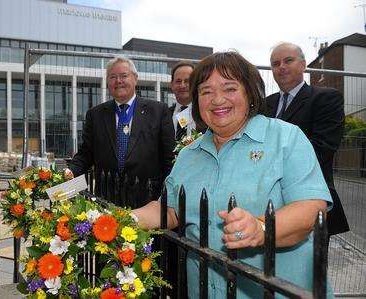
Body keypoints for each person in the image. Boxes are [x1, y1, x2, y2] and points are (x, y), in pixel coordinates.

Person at [132, 51, 334, 298]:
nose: (217, 100)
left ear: (250, 93)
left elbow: (312, 208)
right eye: (206, 91)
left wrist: (260, 228)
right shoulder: (188, 154)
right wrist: (121, 219)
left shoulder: (286, 138)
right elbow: (170, 210)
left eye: (229, 88)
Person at [65, 56, 175, 208]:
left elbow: (169, 158)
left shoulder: (158, 111)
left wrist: (168, 198)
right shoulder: (95, 114)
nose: (118, 81)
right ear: (107, 82)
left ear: (135, 79)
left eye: (124, 76)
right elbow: (86, 153)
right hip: (106, 200)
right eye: (113, 77)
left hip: (148, 201)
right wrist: (69, 172)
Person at [265, 42, 349, 236]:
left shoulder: (326, 98)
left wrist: (267, 162)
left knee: (310, 265)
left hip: (308, 200)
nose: (282, 67)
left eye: (288, 60)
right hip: (267, 200)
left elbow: (323, 148)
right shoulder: (266, 104)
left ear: (303, 65)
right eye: (276, 63)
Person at [170, 61, 196, 141]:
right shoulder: (164, 115)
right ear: (172, 85)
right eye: (178, 81)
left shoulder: (205, 114)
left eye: (187, 81)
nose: (182, 85)